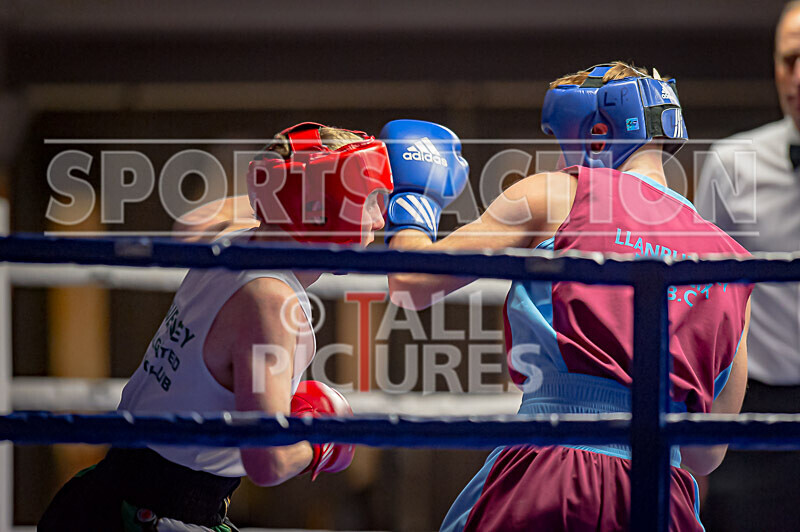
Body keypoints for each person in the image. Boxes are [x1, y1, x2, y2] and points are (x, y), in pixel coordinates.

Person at [382, 63, 752, 531]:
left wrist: (414, 201)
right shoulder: (734, 263)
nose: (562, 162)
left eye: (563, 142)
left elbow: (410, 284)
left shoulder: (558, 195)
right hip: (663, 494)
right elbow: (706, 453)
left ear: (598, 133)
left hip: (553, 471)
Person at [38, 122, 393, 531]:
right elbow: (268, 461)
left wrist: (289, 191)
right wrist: (324, 443)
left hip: (104, 495)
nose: (380, 219)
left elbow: (194, 219)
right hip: (159, 517)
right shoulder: (272, 307)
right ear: (328, 204)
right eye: (370, 199)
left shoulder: (231, 241)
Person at [694, 3, 800, 530]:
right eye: (789, 59)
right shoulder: (734, 163)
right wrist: (698, 438)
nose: (798, 75)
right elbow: (701, 300)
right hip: (753, 408)